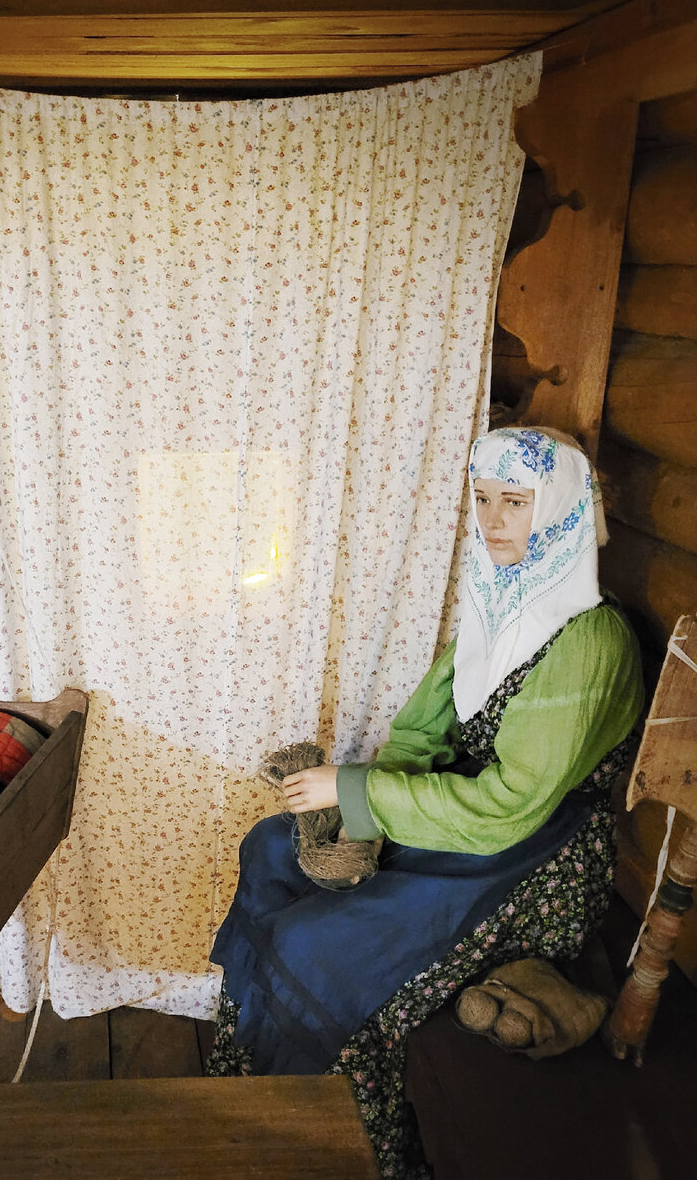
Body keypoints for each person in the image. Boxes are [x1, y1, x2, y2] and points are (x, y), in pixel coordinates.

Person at [206, 426, 644, 1179]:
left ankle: (346, 1147)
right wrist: (357, 814)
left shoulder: (589, 640)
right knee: (273, 845)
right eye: (483, 499)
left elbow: (511, 806)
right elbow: (419, 728)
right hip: (459, 812)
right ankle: (254, 1068)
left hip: (532, 852)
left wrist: (357, 793)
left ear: (564, 510)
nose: (494, 520)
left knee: (322, 948)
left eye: (516, 502)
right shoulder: (500, 603)